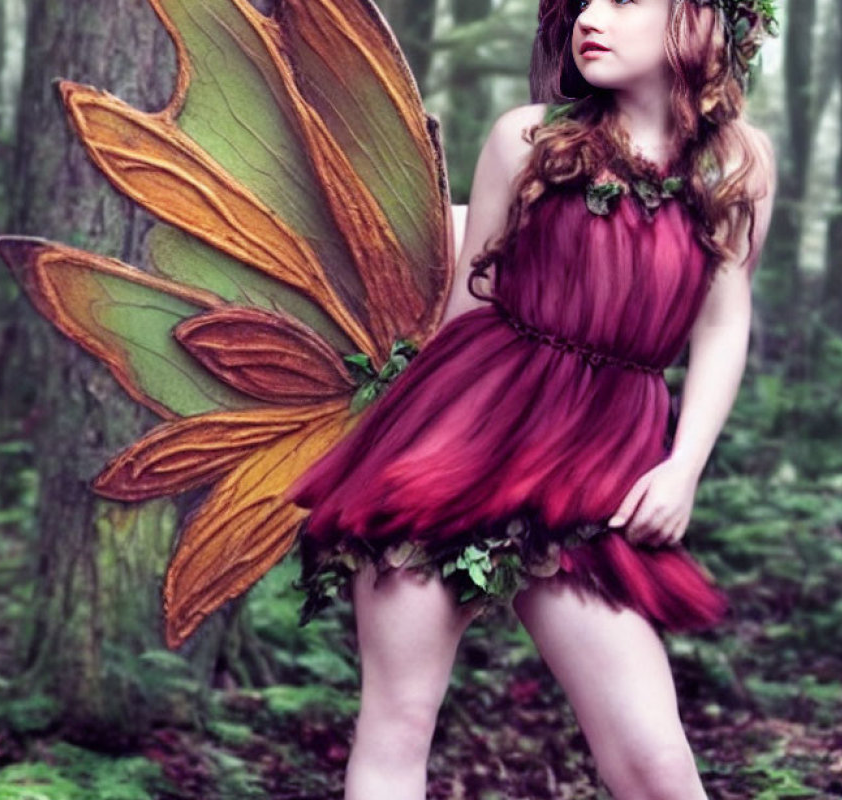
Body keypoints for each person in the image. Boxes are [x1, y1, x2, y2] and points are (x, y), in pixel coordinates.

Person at [284, 0, 778, 797]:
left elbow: (723, 326)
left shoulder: (736, 168)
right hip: (456, 449)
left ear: (703, 18)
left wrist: (684, 465)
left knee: (654, 762)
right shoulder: (528, 139)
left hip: (596, 477)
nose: (590, 16)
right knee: (399, 723)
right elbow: (466, 312)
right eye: (581, 1)